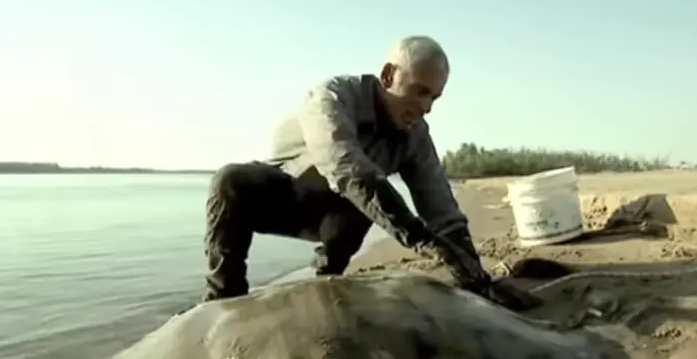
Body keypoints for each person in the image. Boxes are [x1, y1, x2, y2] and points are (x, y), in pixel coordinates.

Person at [201, 35, 534, 306]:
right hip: (285, 195)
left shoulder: (416, 136)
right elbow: (347, 169)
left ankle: (328, 278)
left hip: (338, 215)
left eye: (434, 97)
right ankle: (223, 296)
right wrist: (420, 240)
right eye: (420, 91)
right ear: (388, 76)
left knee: (363, 203)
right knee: (229, 181)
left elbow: (442, 210)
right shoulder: (331, 98)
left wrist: (477, 279)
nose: (426, 107)